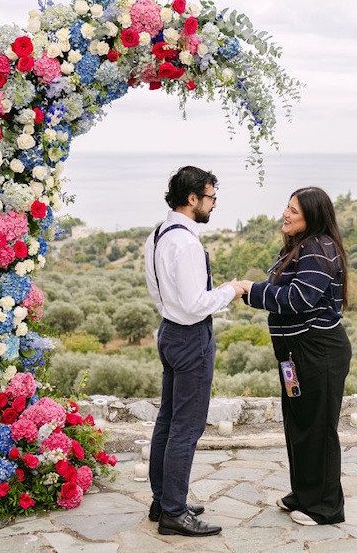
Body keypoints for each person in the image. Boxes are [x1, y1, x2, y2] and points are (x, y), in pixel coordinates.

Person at [239, 186, 351, 526]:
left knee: (318, 428)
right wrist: (248, 292)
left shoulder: (318, 249)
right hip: (296, 353)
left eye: (295, 211)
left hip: (318, 352)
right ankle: (303, 494)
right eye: (287, 207)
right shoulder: (300, 247)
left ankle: (325, 507)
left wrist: (251, 290)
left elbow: (298, 299)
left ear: (312, 218)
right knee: (300, 424)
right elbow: (284, 291)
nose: (286, 214)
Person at [144, 165, 244, 537]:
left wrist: (173, 314)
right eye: (211, 197)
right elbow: (194, 303)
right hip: (188, 337)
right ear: (192, 199)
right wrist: (231, 291)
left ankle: (163, 499)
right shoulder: (185, 242)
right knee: (186, 427)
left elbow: (161, 294)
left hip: (169, 332)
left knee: (168, 421)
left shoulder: (157, 234)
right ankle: (173, 511)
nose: (214, 205)